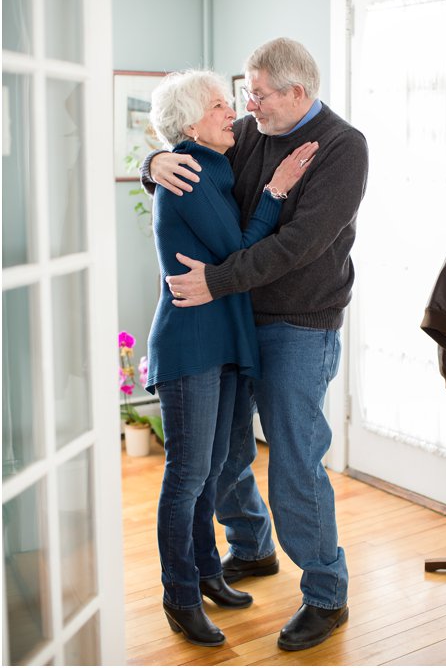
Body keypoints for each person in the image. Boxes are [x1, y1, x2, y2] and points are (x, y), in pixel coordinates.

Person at [142, 37, 368, 651]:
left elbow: (299, 245)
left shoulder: (344, 148)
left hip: (298, 323)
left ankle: (326, 594)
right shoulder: (249, 133)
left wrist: (216, 281)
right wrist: (153, 163)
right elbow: (189, 156)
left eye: (258, 92)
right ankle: (252, 547)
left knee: (294, 459)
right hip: (234, 321)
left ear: (297, 91)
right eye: (242, 92)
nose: (246, 104)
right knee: (228, 454)